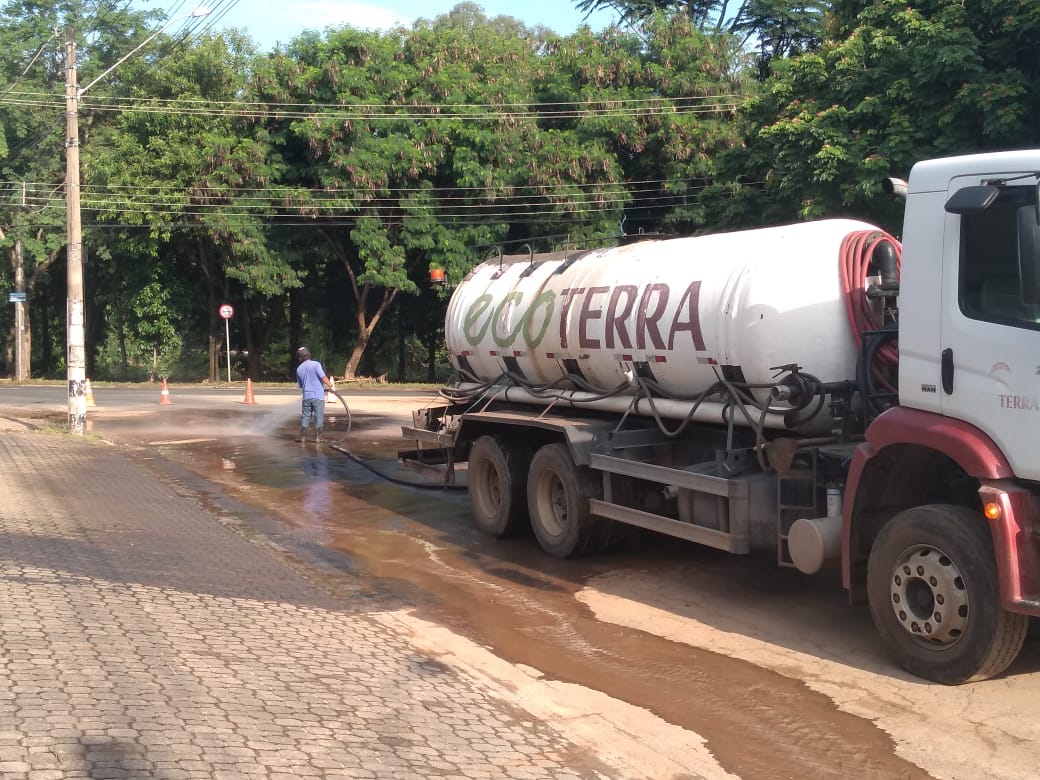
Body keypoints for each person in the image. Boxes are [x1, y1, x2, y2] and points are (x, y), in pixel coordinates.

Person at [295, 347, 333, 442]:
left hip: (306, 397)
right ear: (309, 355)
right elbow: (323, 377)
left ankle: (302, 437)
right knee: (318, 416)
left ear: (300, 357)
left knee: (305, 416)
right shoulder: (316, 364)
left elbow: (300, 385)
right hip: (318, 396)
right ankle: (318, 437)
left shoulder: (299, 369)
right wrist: (330, 385)